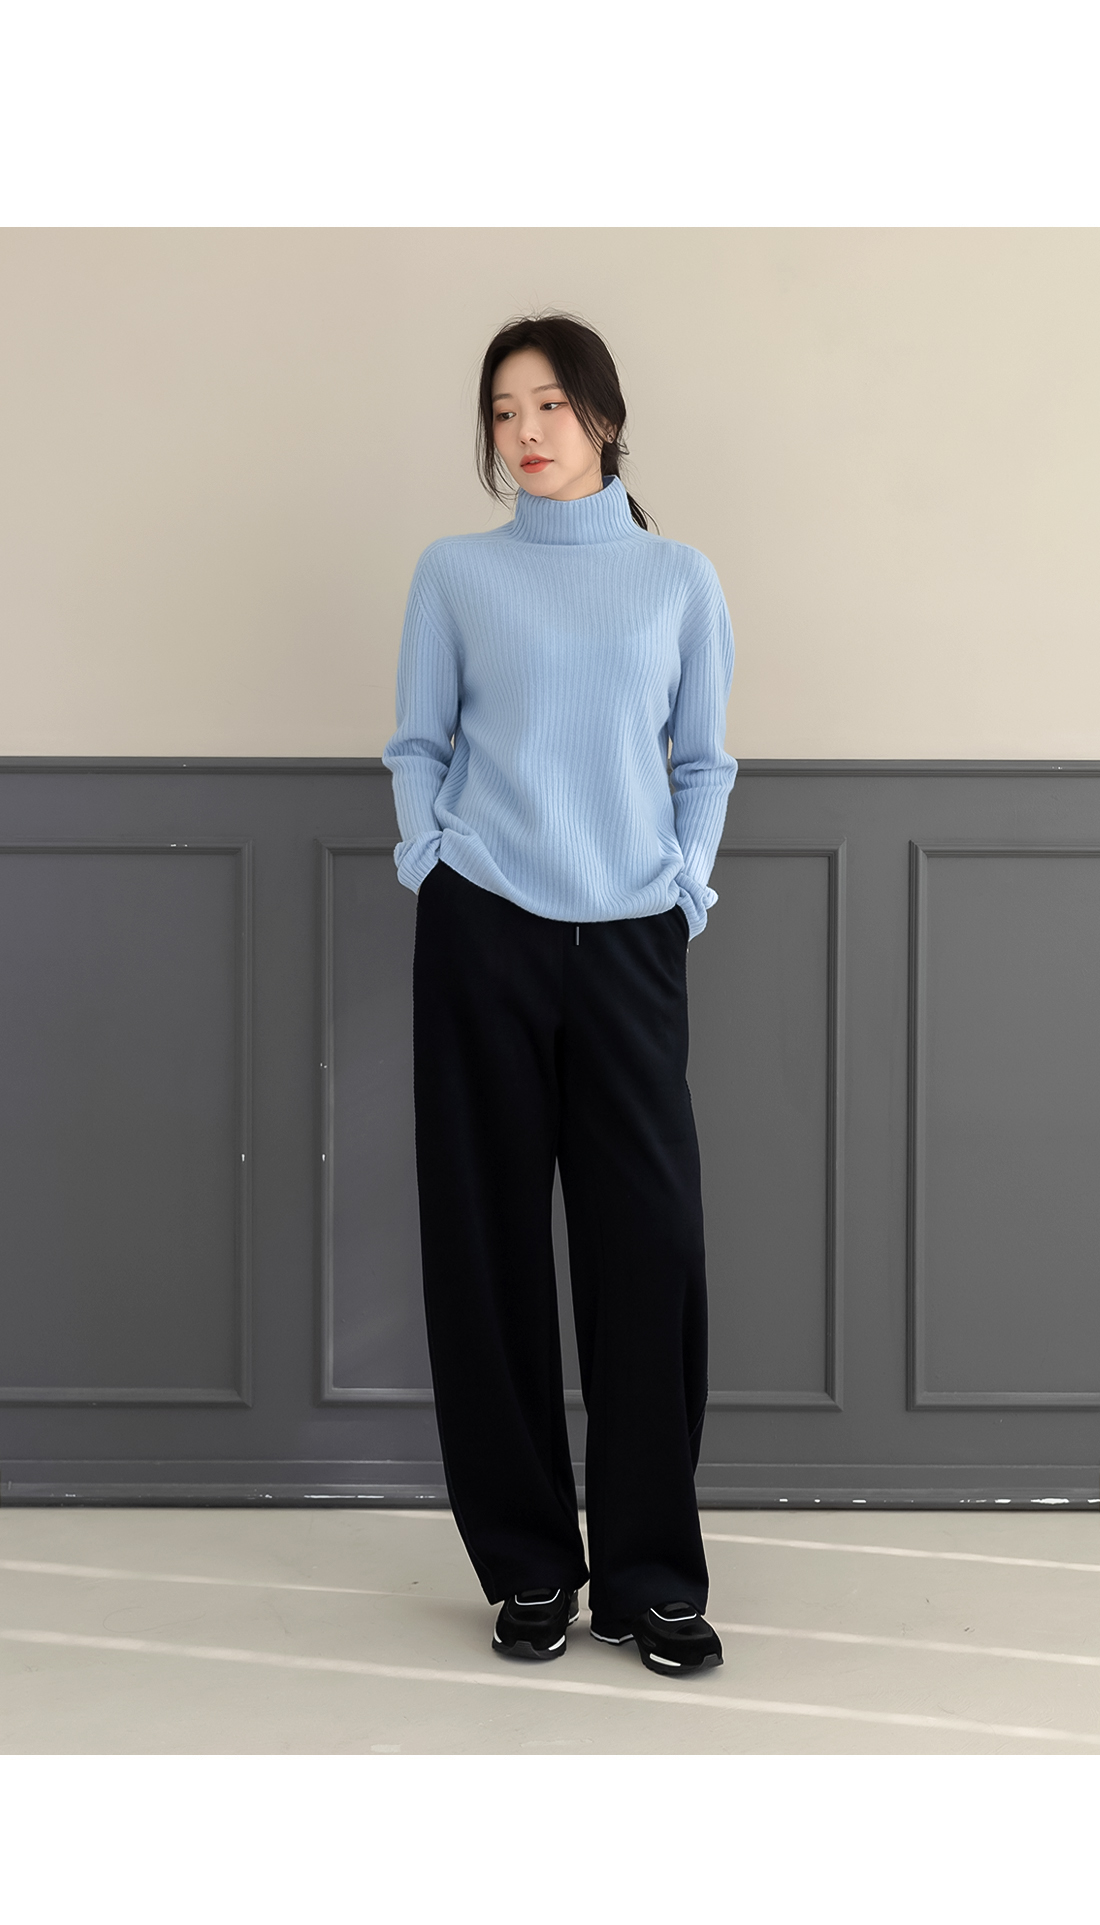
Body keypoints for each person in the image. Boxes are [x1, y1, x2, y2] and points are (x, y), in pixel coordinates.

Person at [381, 312, 737, 1677]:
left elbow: (703, 760)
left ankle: (652, 1574)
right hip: (484, 929)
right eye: (502, 411)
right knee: (484, 1251)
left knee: (650, 1253)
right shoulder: (457, 574)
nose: (524, 431)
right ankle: (528, 1566)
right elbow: (418, 743)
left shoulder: (677, 578)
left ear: (603, 415)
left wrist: (684, 886)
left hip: (633, 937)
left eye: (548, 405)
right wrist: (430, 860)